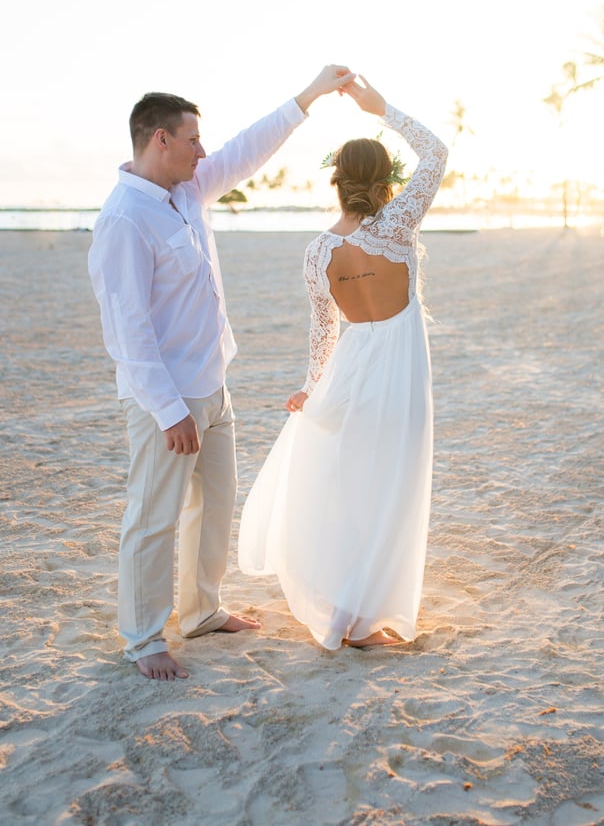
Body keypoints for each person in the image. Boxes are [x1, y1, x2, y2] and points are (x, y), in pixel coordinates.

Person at [88, 64, 354, 680]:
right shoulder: (124, 220)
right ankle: (144, 638)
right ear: (160, 140)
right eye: (192, 140)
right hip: (169, 398)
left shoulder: (187, 190)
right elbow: (128, 333)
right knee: (153, 518)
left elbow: (246, 151)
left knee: (213, 509)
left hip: (213, 386)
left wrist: (309, 95)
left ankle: (201, 611)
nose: (202, 152)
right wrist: (169, 409)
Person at [238, 75, 448, 649]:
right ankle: (358, 621)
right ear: (386, 183)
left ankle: (345, 613)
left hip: (351, 374)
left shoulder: (318, 251)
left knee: (355, 490)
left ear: (336, 182)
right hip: (400, 375)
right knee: (393, 491)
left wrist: (312, 388)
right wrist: (383, 110)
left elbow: (323, 331)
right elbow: (437, 152)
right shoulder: (399, 224)